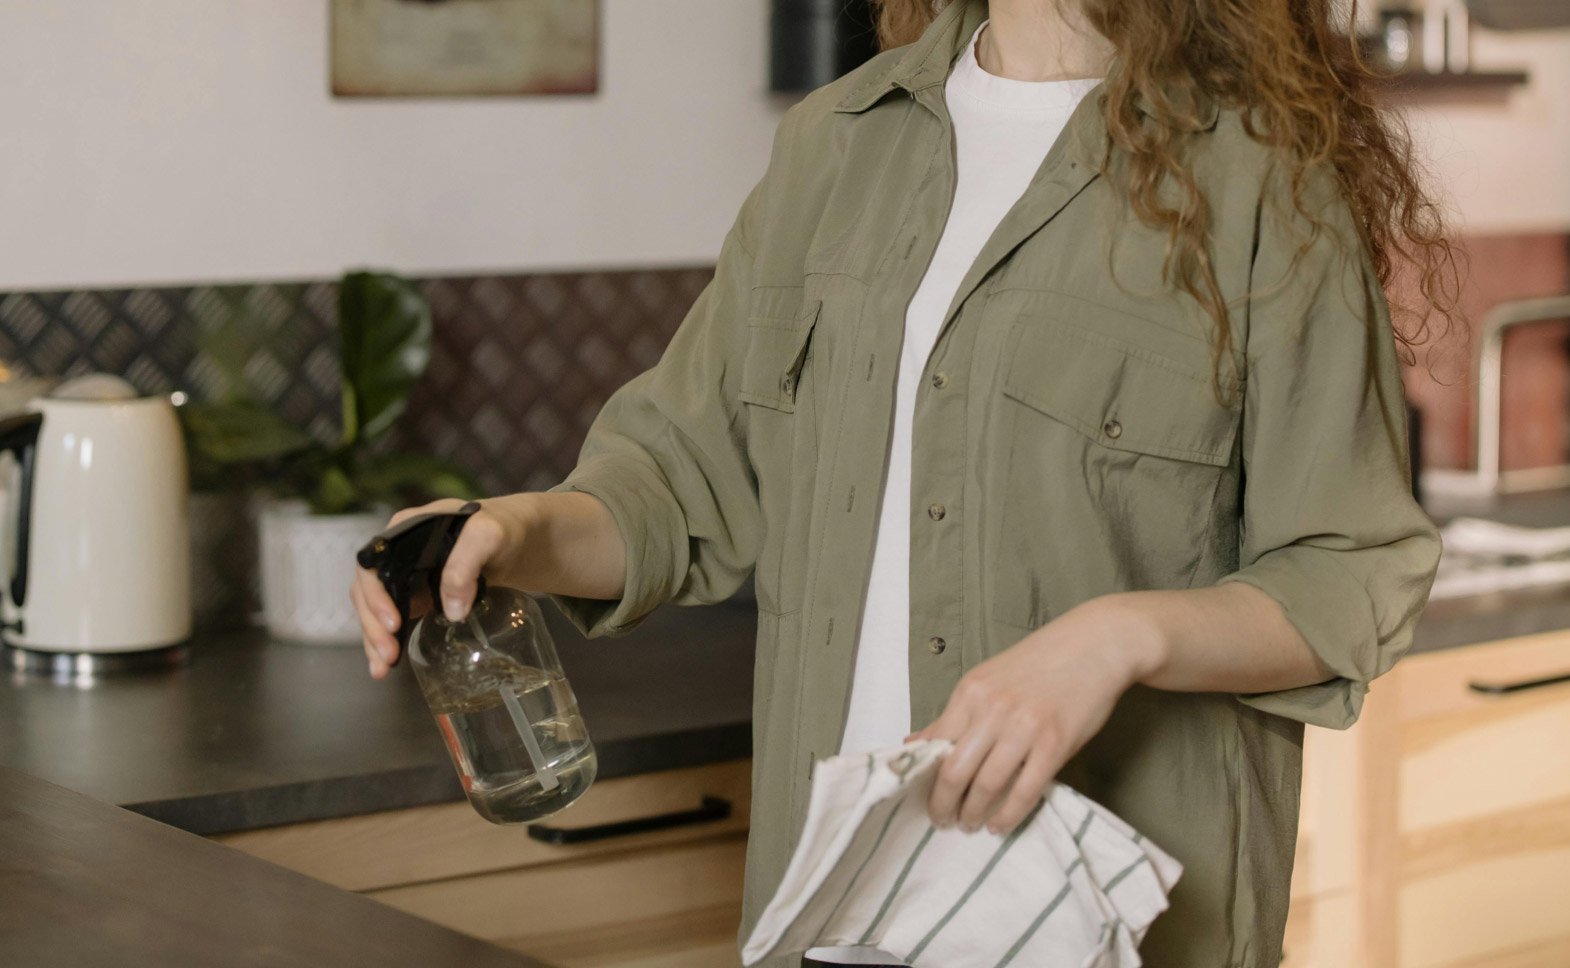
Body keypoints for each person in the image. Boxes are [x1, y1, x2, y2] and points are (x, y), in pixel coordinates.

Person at [353, 0, 1457, 964]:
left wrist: (1117, 638)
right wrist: (509, 531)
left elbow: (1350, 569)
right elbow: (678, 485)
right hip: (834, 916)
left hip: (1106, 934)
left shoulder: (1263, 175)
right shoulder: (835, 144)